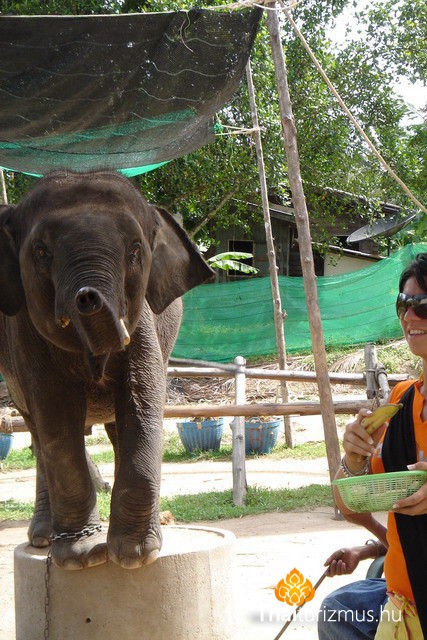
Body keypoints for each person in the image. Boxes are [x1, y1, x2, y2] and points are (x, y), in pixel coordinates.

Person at [333, 252, 427, 639]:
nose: (409, 317)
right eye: (404, 304)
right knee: (336, 610)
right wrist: (354, 459)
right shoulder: (402, 401)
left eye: (422, 305)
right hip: (402, 607)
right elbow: (348, 502)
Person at [318, 541, 388, 640]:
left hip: (407, 591)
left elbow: (404, 541)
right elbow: (401, 540)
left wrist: (372, 526)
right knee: (332, 609)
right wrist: (361, 551)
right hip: (393, 584)